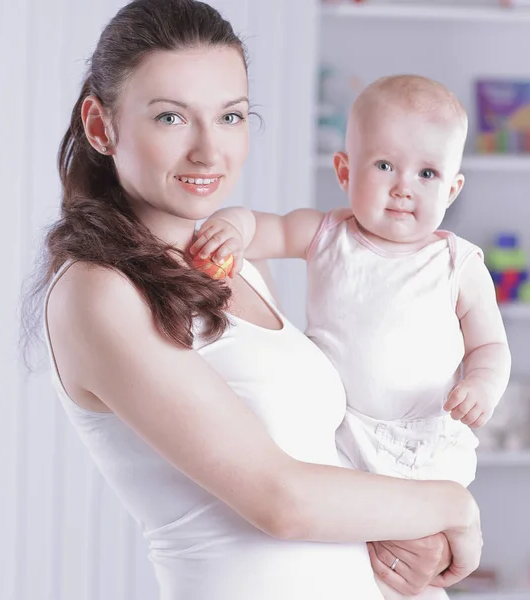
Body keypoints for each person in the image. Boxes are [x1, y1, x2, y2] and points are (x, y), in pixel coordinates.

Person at [27, 3, 482, 599]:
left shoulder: (235, 257)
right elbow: (281, 500)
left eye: (232, 116)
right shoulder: (97, 292)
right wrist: (455, 509)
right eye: (170, 117)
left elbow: (324, 470)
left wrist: (415, 540)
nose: (209, 153)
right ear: (100, 125)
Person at [190, 74, 512, 597]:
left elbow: (490, 346)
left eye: (427, 173)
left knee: (410, 573)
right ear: (344, 170)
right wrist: (233, 226)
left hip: (422, 447)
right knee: (351, 566)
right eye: (384, 165)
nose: (404, 185)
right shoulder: (326, 234)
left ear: (452, 188)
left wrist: (482, 386)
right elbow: (262, 229)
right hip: (342, 441)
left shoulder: (457, 262)